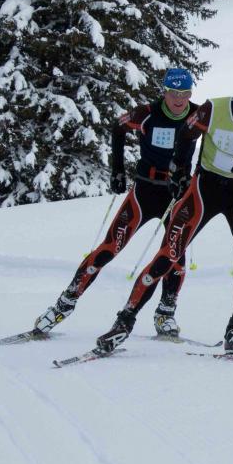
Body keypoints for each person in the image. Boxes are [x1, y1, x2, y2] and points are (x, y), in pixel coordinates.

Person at [94, 64, 233, 355]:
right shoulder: (215, 110)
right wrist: (180, 172)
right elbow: (186, 135)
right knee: (169, 255)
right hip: (204, 191)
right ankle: (124, 322)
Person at [33, 68, 200, 337]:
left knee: (174, 256)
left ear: (191, 93)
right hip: (144, 191)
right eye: (173, 92)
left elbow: (214, 143)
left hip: (176, 193)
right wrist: (118, 170)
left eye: (184, 93)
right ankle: (64, 304)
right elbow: (118, 128)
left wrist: (196, 179)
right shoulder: (146, 113)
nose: (179, 99)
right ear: (164, 92)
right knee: (109, 248)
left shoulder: (198, 115)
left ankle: (165, 313)